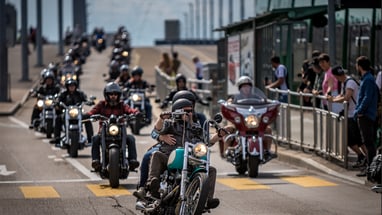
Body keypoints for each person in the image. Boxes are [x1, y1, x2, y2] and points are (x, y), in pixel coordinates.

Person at [144, 98, 219, 209]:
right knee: (156, 155)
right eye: (186, 111)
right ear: (178, 111)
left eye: (191, 111)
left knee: (211, 170)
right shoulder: (170, 124)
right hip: (170, 158)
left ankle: (207, 200)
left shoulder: (196, 128)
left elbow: (208, 141)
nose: (189, 113)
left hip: (190, 160)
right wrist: (161, 120)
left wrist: (220, 135)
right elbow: (157, 129)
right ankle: (152, 184)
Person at [215, 76, 275, 159]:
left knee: (268, 129)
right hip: (239, 122)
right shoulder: (235, 98)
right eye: (244, 86)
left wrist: (269, 103)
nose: (246, 88)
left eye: (248, 86)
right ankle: (227, 151)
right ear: (240, 88)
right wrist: (227, 104)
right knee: (228, 128)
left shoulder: (256, 97)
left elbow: (264, 102)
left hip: (253, 121)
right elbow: (228, 103)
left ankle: (267, 150)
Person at [87, 82, 140, 172]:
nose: (113, 96)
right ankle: (95, 161)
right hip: (103, 132)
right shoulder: (101, 104)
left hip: (119, 132)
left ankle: (132, 161)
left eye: (115, 94)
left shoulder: (122, 105)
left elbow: (129, 109)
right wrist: (88, 115)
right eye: (111, 94)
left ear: (118, 95)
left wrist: (135, 113)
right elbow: (92, 112)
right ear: (106, 95)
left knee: (131, 139)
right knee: (95, 139)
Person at [328, 65, 367, 168]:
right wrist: (334, 98)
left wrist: (333, 100)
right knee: (351, 140)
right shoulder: (345, 82)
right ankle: (363, 157)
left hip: (353, 115)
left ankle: (367, 159)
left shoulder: (349, 82)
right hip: (350, 114)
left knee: (357, 140)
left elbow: (346, 97)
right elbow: (342, 95)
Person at [354, 56, 379, 177]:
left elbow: (367, 97)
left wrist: (359, 110)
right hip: (366, 114)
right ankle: (371, 169)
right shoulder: (367, 78)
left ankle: (371, 170)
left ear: (359, 66)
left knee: (369, 143)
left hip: (366, 115)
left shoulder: (368, 79)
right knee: (369, 142)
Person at [50, 79, 93, 146]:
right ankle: (57, 138)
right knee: (58, 118)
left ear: (76, 86)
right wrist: (56, 102)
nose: (71, 87)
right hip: (67, 113)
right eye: (70, 86)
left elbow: (85, 99)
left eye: (73, 86)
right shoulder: (63, 94)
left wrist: (89, 102)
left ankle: (90, 138)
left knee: (87, 117)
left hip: (78, 113)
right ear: (67, 87)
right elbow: (58, 99)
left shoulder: (80, 94)